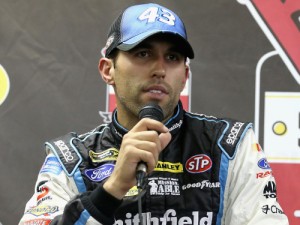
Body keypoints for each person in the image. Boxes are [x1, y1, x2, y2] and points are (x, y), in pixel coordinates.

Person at [19, 3, 289, 225]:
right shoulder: (70, 157)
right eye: (143, 53)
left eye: (172, 58)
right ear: (107, 69)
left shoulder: (230, 145)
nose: (159, 69)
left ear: (184, 76)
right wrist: (111, 190)